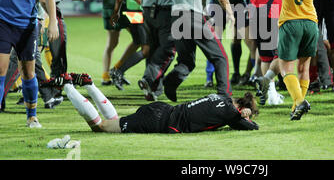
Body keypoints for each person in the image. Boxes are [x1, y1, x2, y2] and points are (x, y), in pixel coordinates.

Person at [162, 0, 234, 102]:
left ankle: (170, 82)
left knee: (186, 61)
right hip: (194, 17)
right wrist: (231, 15)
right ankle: (224, 95)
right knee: (220, 57)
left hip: (177, 17)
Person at [0, 0, 59, 127]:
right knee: (1, 68)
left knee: (29, 72)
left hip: (27, 25)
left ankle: (32, 116)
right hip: (3, 23)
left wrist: (53, 23)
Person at [55, 73, 259, 133]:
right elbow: (252, 127)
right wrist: (245, 117)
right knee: (100, 128)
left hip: (161, 108)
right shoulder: (232, 115)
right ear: (244, 109)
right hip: (159, 121)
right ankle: (68, 85)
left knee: (115, 120)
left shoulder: (221, 97)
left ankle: (90, 85)